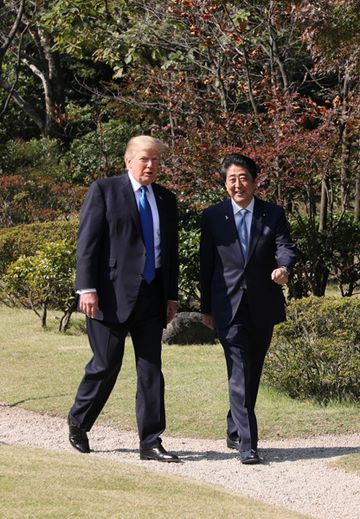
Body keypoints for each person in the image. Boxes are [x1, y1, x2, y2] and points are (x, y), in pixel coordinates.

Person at [68, 135, 180, 462]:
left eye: (156, 160)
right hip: (109, 296)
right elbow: (87, 242)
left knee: (150, 370)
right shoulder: (104, 190)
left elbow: (168, 252)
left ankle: (151, 441)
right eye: (145, 159)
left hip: (152, 295)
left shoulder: (166, 198)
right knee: (105, 365)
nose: (151, 165)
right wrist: (86, 288)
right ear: (128, 160)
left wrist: (171, 295)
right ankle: (78, 421)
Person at [200, 153, 298, 464]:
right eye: (232, 179)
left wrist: (284, 268)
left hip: (263, 304)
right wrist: (206, 309)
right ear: (225, 183)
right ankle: (247, 443)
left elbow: (286, 246)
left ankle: (234, 428)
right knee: (239, 371)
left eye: (243, 178)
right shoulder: (213, 216)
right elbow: (206, 266)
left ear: (254, 181)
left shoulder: (273, 213)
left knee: (251, 372)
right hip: (227, 306)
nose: (238, 184)